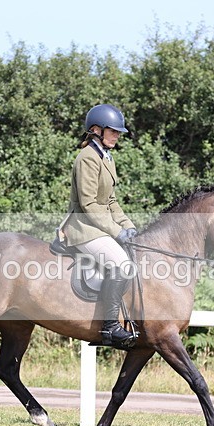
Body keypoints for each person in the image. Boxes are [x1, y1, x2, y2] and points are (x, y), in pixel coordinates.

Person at [61, 104, 139, 349]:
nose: (117, 135)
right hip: (84, 227)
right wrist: (117, 232)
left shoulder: (106, 157)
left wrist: (129, 226)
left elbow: (111, 201)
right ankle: (110, 327)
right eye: (112, 131)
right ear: (95, 130)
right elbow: (88, 203)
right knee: (121, 264)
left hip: (99, 225)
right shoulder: (87, 158)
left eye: (118, 132)